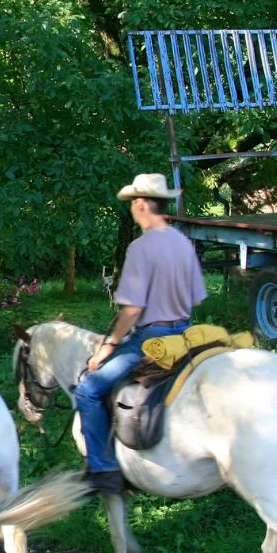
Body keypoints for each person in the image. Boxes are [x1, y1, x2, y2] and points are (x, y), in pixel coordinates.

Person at [73, 173, 207, 494]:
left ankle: (103, 470)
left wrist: (108, 345)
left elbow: (131, 311)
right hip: (185, 334)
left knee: (88, 390)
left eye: (134, 203)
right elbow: (196, 297)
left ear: (143, 204)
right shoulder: (183, 242)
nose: (132, 209)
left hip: (151, 339)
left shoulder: (141, 247)